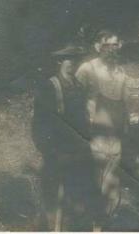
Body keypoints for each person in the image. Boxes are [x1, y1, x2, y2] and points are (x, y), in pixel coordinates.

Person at [32, 44, 92, 231]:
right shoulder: (50, 87)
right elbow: (39, 123)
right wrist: (50, 150)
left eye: (75, 60)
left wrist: (86, 144)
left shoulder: (79, 87)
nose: (72, 64)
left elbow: (83, 121)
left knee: (75, 198)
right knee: (52, 199)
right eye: (68, 59)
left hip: (77, 152)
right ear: (60, 62)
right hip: (56, 152)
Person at [75, 30, 130, 230]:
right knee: (93, 180)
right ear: (98, 46)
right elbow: (73, 97)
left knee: (112, 183)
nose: (112, 50)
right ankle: (92, 223)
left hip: (115, 135)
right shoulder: (87, 69)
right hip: (93, 133)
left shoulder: (121, 73)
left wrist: (126, 125)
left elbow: (125, 103)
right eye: (108, 45)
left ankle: (106, 222)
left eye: (115, 45)